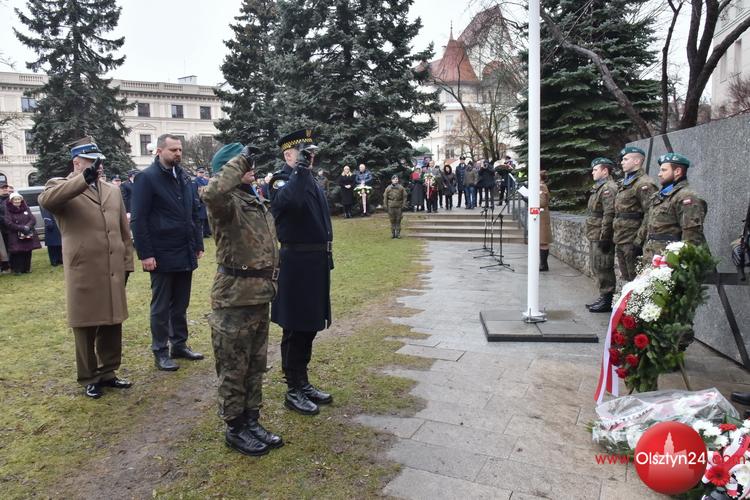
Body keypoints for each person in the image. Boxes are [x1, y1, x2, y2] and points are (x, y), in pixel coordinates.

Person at [202, 142, 283, 456]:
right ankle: (235, 427)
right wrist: (238, 162)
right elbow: (212, 192)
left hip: (259, 294)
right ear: (230, 168)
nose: (251, 167)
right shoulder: (225, 202)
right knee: (233, 367)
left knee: (255, 365)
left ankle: (252, 420)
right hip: (234, 298)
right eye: (243, 163)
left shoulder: (252, 198)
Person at [38, 139, 134, 398]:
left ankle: (108, 371)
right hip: (84, 268)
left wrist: (127, 264)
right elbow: (48, 200)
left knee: (112, 321)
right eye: (91, 161)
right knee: (85, 324)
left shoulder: (112, 190)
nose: (98, 166)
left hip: (112, 267)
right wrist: (83, 180)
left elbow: (123, 231)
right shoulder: (60, 186)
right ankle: (89, 376)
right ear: (77, 162)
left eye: (98, 161)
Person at [268, 129, 333, 416]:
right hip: (295, 263)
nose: (310, 158)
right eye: (304, 154)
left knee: (310, 325)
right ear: (288, 155)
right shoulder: (281, 180)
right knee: (295, 327)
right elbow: (290, 203)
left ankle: (303, 382)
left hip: (315, 262)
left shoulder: (309, 179)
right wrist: (301, 171)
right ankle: (293, 388)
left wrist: (305, 171)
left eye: (311, 154)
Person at [130, 133, 205, 371]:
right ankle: (160, 350)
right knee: (161, 306)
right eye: (173, 150)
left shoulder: (183, 176)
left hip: (184, 250)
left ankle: (179, 345)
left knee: (181, 303)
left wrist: (198, 243)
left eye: (180, 149)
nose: (178, 153)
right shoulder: (147, 178)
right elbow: (139, 219)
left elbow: (193, 212)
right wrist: (145, 254)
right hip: (161, 252)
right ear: (159, 151)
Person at [641, 153, 707, 261]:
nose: (659, 174)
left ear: (677, 171)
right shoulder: (659, 196)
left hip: (670, 260)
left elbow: (691, 235)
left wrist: (681, 261)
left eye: (664, 170)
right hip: (653, 256)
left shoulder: (686, 197)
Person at [613, 146, 658, 282]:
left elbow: (650, 212)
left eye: (625, 159)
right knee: (627, 279)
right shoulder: (626, 182)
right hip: (621, 238)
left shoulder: (644, 184)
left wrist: (639, 239)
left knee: (636, 280)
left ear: (637, 161)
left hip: (633, 239)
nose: (622, 162)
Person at [585, 158, 618, 313]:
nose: (592, 172)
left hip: (601, 234)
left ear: (605, 171)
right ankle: (603, 296)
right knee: (597, 266)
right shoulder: (599, 187)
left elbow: (609, 213)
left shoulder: (608, 188)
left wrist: (605, 236)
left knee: (603, 266)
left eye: (595, 169)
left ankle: (607, 299)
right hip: (595, 232)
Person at [4, 192, 41, 274]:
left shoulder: (26, 208)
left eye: (19, 199)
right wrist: (21, 228)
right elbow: (8, 222)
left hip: (27, 232)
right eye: (15, 199)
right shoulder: (8, 210)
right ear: (11, 201)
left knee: (28, 251)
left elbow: (32, 219)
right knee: (18, 252)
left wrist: (27, 226)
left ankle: (27, 268)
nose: (17, 201)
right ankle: (18, 270)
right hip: (15, 234)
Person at [539, 170, 553, 271]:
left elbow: (542, 202)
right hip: (541, 216)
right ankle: (543, 264)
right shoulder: (540, 186)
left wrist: (530, 199)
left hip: (542, 217)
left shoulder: (541, 186)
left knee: (543, 241)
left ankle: (544, 265)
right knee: (541, 240)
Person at [194, 167, 211, 238]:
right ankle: (201, 233)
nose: (201, 173)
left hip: (206, 201)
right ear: (197, 173)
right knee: (201, 219)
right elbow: (196, 191)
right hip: (200, 201)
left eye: (202, 172)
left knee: (207, 218)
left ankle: (207, 232)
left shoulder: (206, 180)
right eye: (200, 172)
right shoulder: (195, 181)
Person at [0, 182, 11, 272]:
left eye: (6, 187)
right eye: (2, 188)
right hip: (2, 228)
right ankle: (5, 266)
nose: (5, 189)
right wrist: (5, 220)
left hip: (12, 227)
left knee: (12, 246)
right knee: (3, 248)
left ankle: (13, 264)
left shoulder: (12, 198)